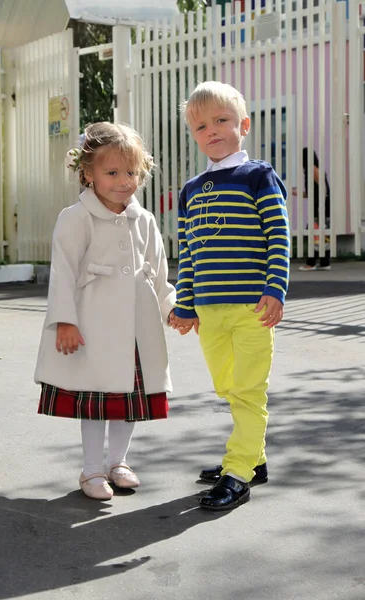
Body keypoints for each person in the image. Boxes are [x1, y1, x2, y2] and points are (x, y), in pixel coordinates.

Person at [35, 122, 176, 501]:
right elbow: (63, 272)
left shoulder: (144, 220)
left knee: (128, 399)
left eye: (131, 172)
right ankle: (92, 469)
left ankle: (119, 462)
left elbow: (158, 271)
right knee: (96, 398)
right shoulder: (75, 218)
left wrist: (171, 309)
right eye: (112, 172)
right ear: (88, 174)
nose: (123, 181)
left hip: (135, 325)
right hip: (92, 324)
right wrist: (65, 320)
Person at [170, 81, 290, 511]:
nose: (212, 131)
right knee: (227, 386)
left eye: (221, 121)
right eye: (201, 126)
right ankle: (253, 457)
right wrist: (185, 304)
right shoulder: (190, 189)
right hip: (209, 310)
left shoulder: (258, 175)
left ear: (243, 125)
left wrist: (275, 287)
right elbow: (188, 251)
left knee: (248, 390)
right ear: (194, 133)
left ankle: (237, 472)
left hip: (253, 309)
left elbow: (279, 235)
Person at [293, 147, 331, 271]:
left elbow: (323, 188)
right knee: (321, 234)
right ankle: (325, 263)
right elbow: (312, 192)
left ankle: (311, 263)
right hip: (320, 204)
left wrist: (321, 204)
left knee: (312, 233)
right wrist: (297, 193)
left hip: (320, 206)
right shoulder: (312, 170)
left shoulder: (313, 169)